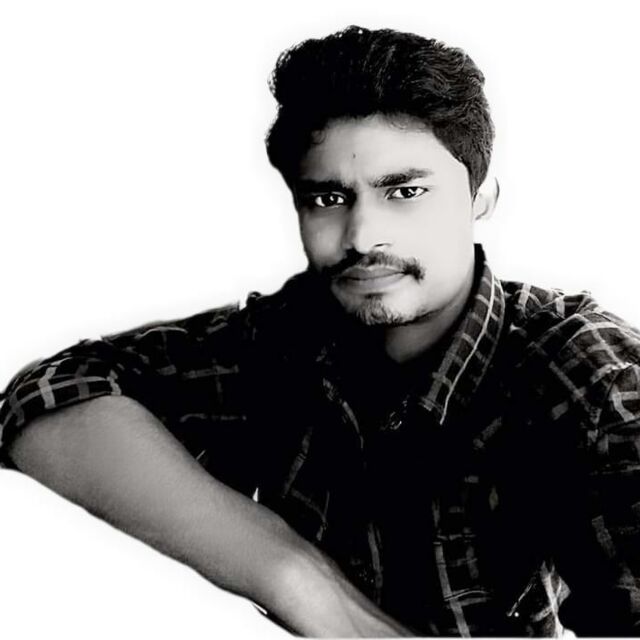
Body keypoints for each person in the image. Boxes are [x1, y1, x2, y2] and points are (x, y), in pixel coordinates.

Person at [1, 24, 640, 637]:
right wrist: (294, 577)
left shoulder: (592, 380)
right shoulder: (289, 338)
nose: (361, 237)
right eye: (328, 199)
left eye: (404, 192)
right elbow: (50, 392)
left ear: (481, 198)